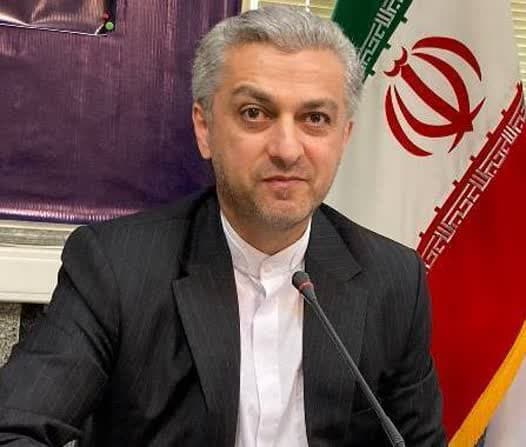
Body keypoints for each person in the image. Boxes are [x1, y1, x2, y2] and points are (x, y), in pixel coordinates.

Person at [0, 6, 445, 446]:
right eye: (255, 113)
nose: (287, 149)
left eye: (315, 119)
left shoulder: (392, 280)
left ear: (343, 137)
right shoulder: (118, 268)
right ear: (205, 128)